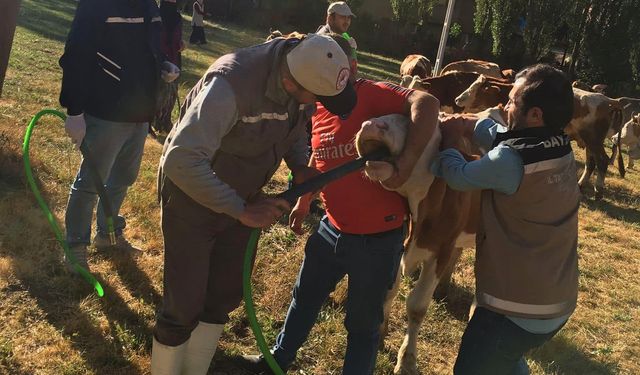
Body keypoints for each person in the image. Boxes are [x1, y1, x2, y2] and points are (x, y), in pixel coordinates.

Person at [151, 33, 357, 374]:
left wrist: (298, 164)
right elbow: (181, 161)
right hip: (191, 199)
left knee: (222, 295)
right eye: (316, 99)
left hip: (244, 200)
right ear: (290, 83)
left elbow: (291, 128)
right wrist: (241, 209)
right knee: (184, 303)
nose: (316, 106)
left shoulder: (303, 76)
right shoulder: (230, 85)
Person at [240, 35, 440, 375]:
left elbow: (428, 103)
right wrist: (305, 202)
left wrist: (404, 165)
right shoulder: (320, 105)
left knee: (362, 325)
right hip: (332, 227)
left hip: (378, 239)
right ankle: (277, 359)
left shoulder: (374, 95)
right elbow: (321, 157)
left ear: (353, 69)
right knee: (304, 297)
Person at [430, 64, 580, 375]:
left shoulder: (511, 161)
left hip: (514, 310)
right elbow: (504, 138)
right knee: (506, 360)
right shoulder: (560, 147)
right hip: (556, 301)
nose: (504, 106)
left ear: (535, 115)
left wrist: (450, 141)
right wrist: (470, 123)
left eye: (511, 101)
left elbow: (457, 175)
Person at [59, 0, 180, 272]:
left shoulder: (149, 6)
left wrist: (163, 65)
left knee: (123, 179)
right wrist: (74, 110)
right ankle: (75, 247)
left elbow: (148, 48)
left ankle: (107, 234)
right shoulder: (97, 5)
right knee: (91, 182)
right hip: (106, 111)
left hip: (139, 112)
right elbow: (76, 54)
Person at [153, 0, 185, 134]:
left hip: (174, 58)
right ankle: (151, 122)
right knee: (156, 92)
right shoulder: (156, 14)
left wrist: (181, 44)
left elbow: (178, 37)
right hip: (158, 58)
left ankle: (165, 121)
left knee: (172, 92)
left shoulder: (177, 17)